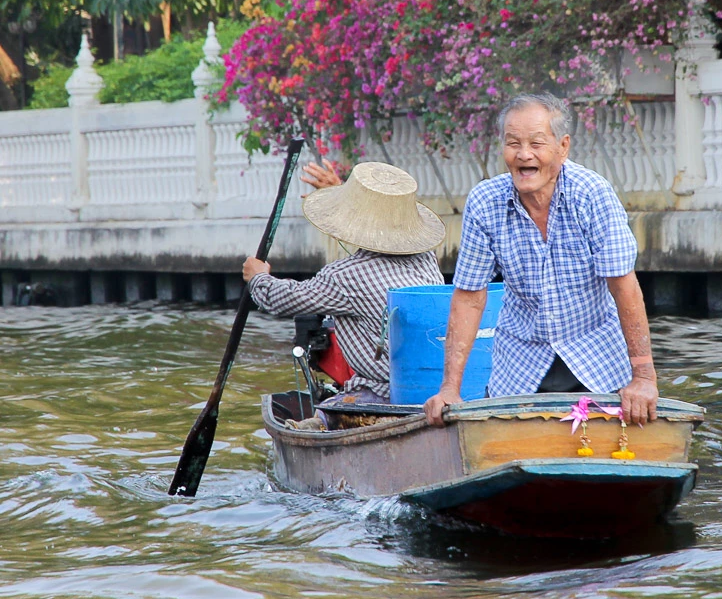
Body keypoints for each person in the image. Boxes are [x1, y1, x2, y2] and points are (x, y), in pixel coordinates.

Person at [423, 92, 658, 428]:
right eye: (513, 143)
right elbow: (470, 296)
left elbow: (623, 285)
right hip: (520, 360)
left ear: (563, 147)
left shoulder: (591, 194)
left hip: (596, 355)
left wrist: (644, 378)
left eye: (536, 143)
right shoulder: (485, 201)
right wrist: (450, 389)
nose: (523, 155)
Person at [244, 160, 445, 429]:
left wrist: (258, 278)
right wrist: (343, 191)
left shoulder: (343, 277)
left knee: (333, 408)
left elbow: (279, 299)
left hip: (384, 391)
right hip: (437, 382)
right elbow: (378, 240)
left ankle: (321, 422)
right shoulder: (426, 258)